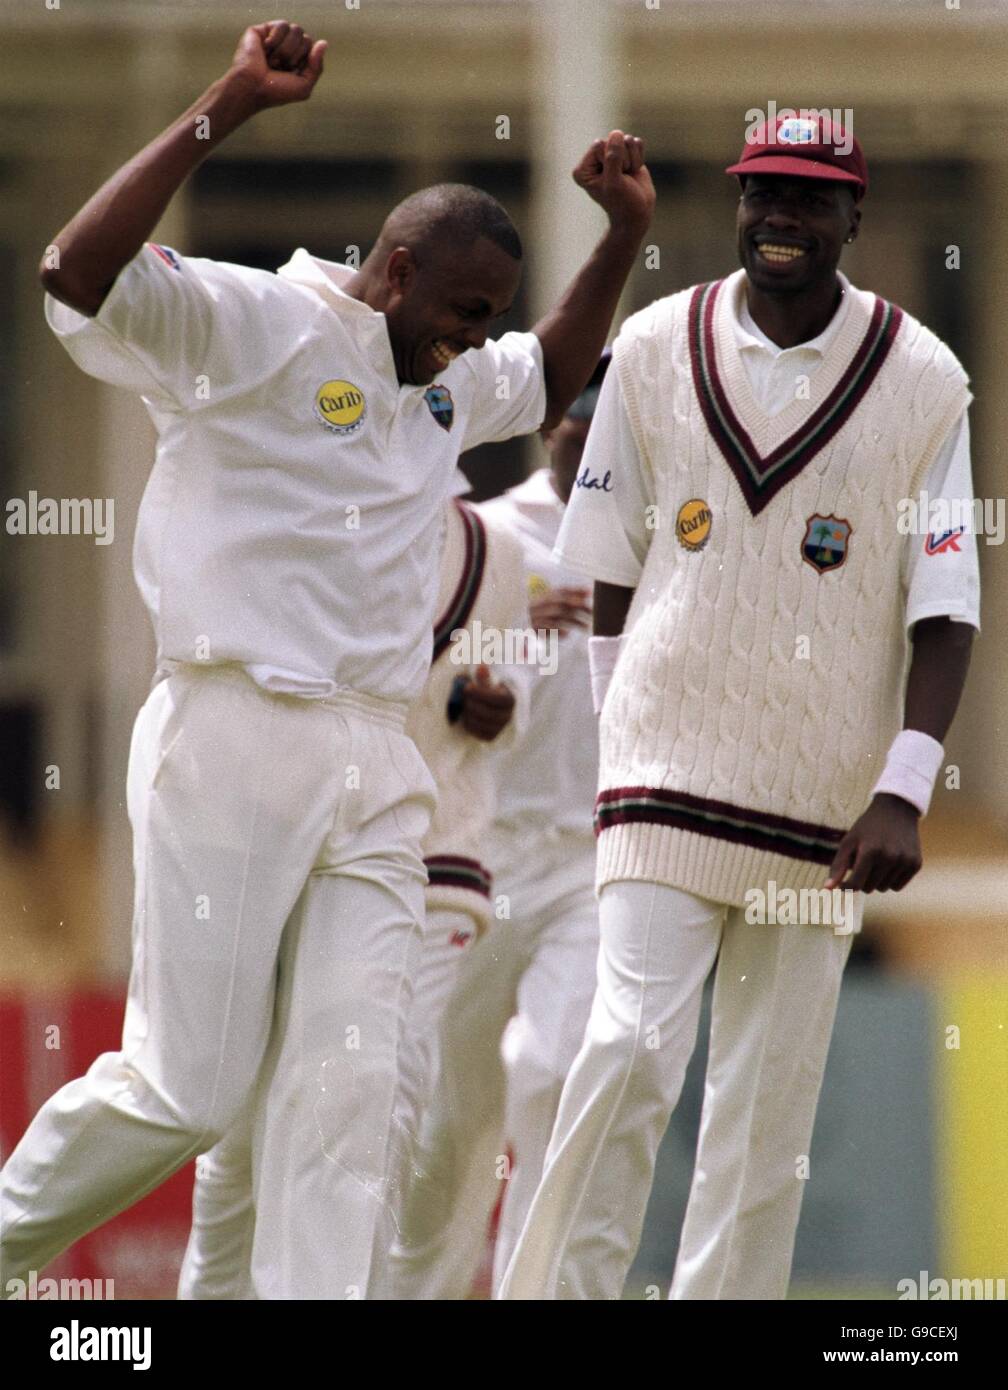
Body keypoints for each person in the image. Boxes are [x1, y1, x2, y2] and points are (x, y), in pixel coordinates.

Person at [0, 19, 655, 1299]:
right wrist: (228, 105)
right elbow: (74, 272)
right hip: (235, 728)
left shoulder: (448, 388)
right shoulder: (257, 324)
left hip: (377, 755)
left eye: (487, 323)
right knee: (191, 1088)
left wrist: (624, 236)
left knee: (349, 1088)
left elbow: (555, 365)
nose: (473, 342)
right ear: (395, 269)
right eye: (462, 313)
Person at [498, 113, 978, 1301]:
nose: (781, 218)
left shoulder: (924, 381)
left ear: (853, 216)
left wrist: (903, 790)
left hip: (820, 813)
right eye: (763, 193)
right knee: (621, 1058)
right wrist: (622, 731)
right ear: (738, 202)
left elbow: (948, 599)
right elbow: (598, 555)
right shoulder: (657, 344)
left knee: (765, 1118)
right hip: (661, 777)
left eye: (811, 199)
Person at [177, 494, 529, 1299]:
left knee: (385, 1088)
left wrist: (496, 708)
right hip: (290, 844)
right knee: (241, 1120)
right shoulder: (307, 511)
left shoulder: (495, 548)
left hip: (434, 847)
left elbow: (514, 690)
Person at [382, 359, 608, 1300]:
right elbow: (457, 693)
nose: (586, 443)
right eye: (573, 424)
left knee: (553, 1073)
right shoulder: (493, 536)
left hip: (596, 861)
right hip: (486, 851)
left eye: (604, 433)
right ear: (549, 428)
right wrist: (517, 639)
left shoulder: (663, 542)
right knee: (450, 1123)